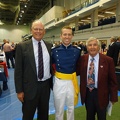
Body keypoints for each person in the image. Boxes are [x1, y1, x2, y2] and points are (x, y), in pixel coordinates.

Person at [14, 19, 53, 120]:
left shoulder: (49, 46)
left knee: (44, 115)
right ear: (31, 30)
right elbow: (18, 70)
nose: (38, 31)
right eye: (36, 29)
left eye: (41, 29)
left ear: (44, 31)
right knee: (28, 115)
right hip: (29, 88)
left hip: (45, 86)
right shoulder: (22, 46)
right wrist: (19, 91)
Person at [77, 37, 118, 120]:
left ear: (99, 47)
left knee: (102, 117)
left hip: (102, 94)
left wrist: (113, 97)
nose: (92, 47)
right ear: (87, 47)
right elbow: (76, 71)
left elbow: (113, 81)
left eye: (95, 45)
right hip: (88, 94)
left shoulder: (108, 60)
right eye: (90, 45)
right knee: (89, 116)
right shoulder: (82, 59)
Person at [52, 26, 81, 120]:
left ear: (72, 36)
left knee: (71, 108)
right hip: (59, 82)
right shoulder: (54, 51)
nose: (67, 37)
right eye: (65, 34)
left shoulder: (77, 51)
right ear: (61, 36)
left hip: (72, 82)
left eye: (69, 34)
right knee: (59, 109)